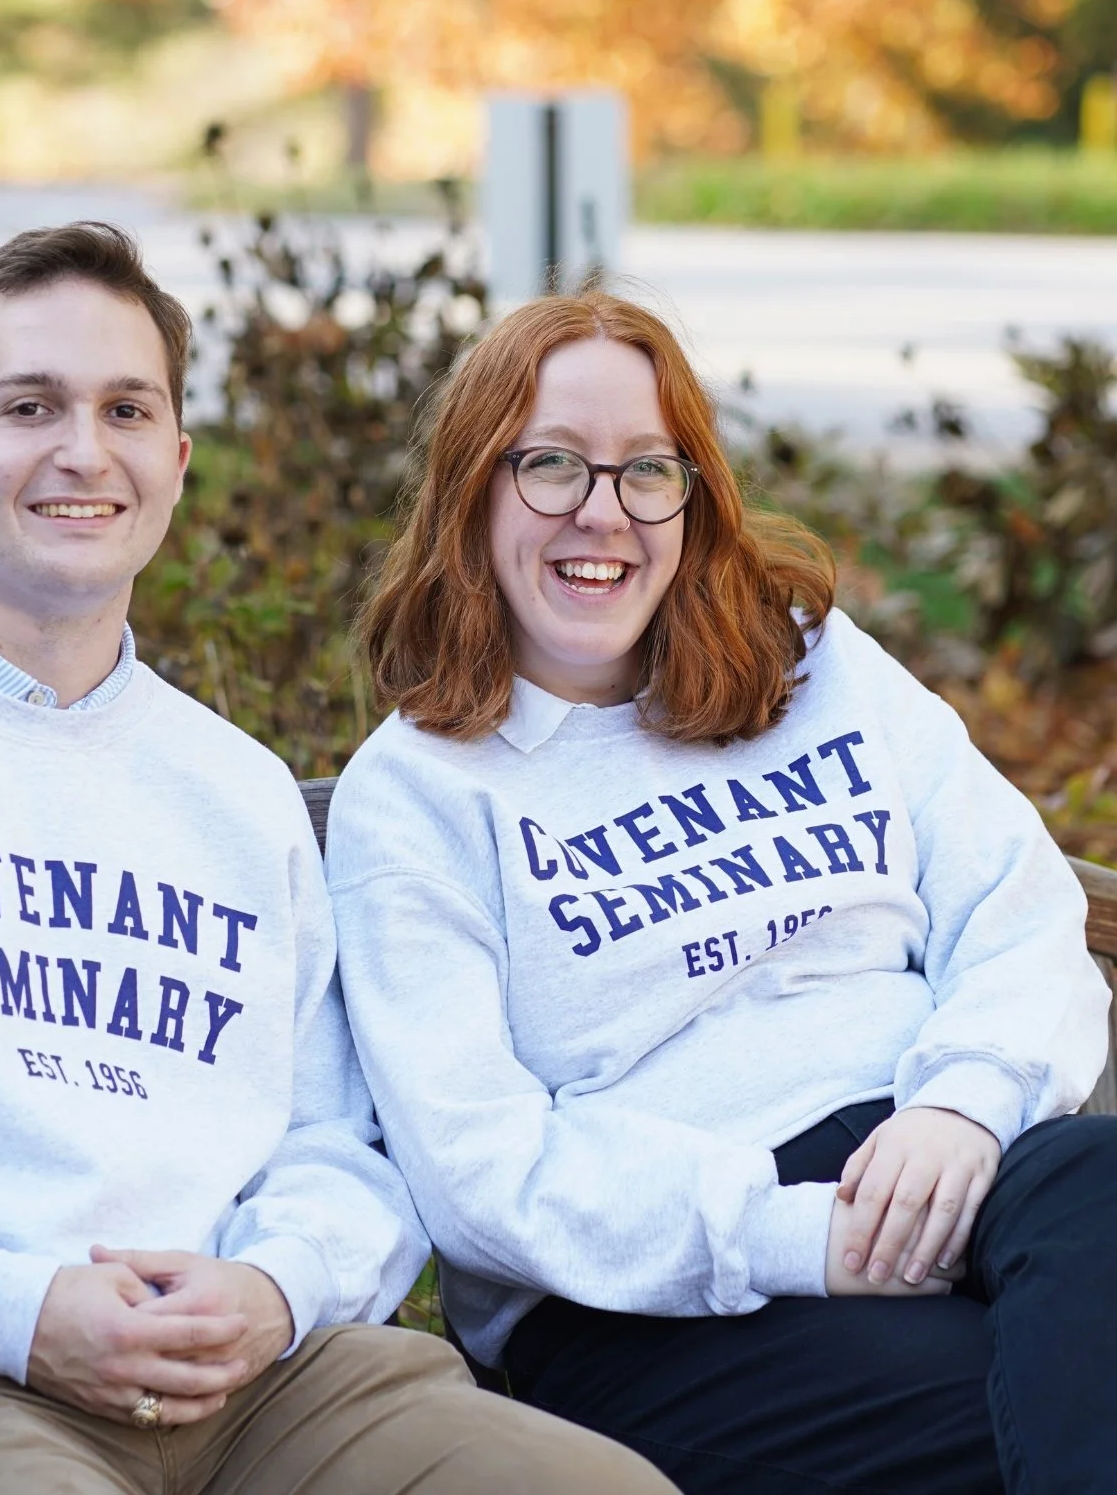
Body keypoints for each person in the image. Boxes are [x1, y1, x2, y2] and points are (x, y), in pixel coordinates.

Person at [0, 231, 675, 1495]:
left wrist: (275, 1291)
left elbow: (339, 1146)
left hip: (270, 1396)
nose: (84, 449)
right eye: (29, 406)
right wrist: (16, 1310)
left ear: (175, 461)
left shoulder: (235, 791)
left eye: (128, 408)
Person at [325, 290, 1117, 1494]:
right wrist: (804, 1236)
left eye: (650, 470)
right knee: (996, 1405)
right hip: (648, 1280)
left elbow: (1012, 898)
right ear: (472, 490)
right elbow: (480, 1172)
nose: (606, 512)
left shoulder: (809, 662)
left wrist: (965, 1103)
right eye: (552, 467)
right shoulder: (421, 795)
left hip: (935, 1145)